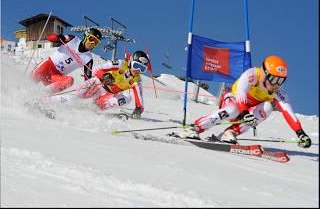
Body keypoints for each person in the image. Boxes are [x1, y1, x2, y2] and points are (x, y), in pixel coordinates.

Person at [180, 56, 312, 148]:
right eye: (273, 79)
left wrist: (301, 133)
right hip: (233, 101)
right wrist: (244, 113)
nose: (276, 84)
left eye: (280, 80)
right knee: (233, 111)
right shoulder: (252, 75)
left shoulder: (278, 91)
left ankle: (230, 133)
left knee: (268, 107)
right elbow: (241, 93)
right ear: (265, 74)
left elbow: (288, 112)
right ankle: (193, 128)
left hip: (248, 110)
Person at [41, 50, 149, 119]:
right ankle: (43, 102)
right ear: (130, 63)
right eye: (136, 66)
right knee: (74, 98)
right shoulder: (121, 64)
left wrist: (138, 110)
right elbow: (97, 69)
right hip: (96, 84)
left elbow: (140, 100)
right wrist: (105, 77)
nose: (138, 70)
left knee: (127, 97)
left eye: (142, 69)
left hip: (107, 95)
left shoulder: (137, 80)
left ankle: (94, 107)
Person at [30, 28, 102, 95]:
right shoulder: (73, 40)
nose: (92, 43)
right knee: (31, 81)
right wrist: (57, 37)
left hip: (55, 77)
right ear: (85, 37)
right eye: (91, 39)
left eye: (96, 42)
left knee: (69, 81)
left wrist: (96, 83)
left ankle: (42, 95)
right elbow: (49, 38)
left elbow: (87, 81)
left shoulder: (88, 59)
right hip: (47, 66)